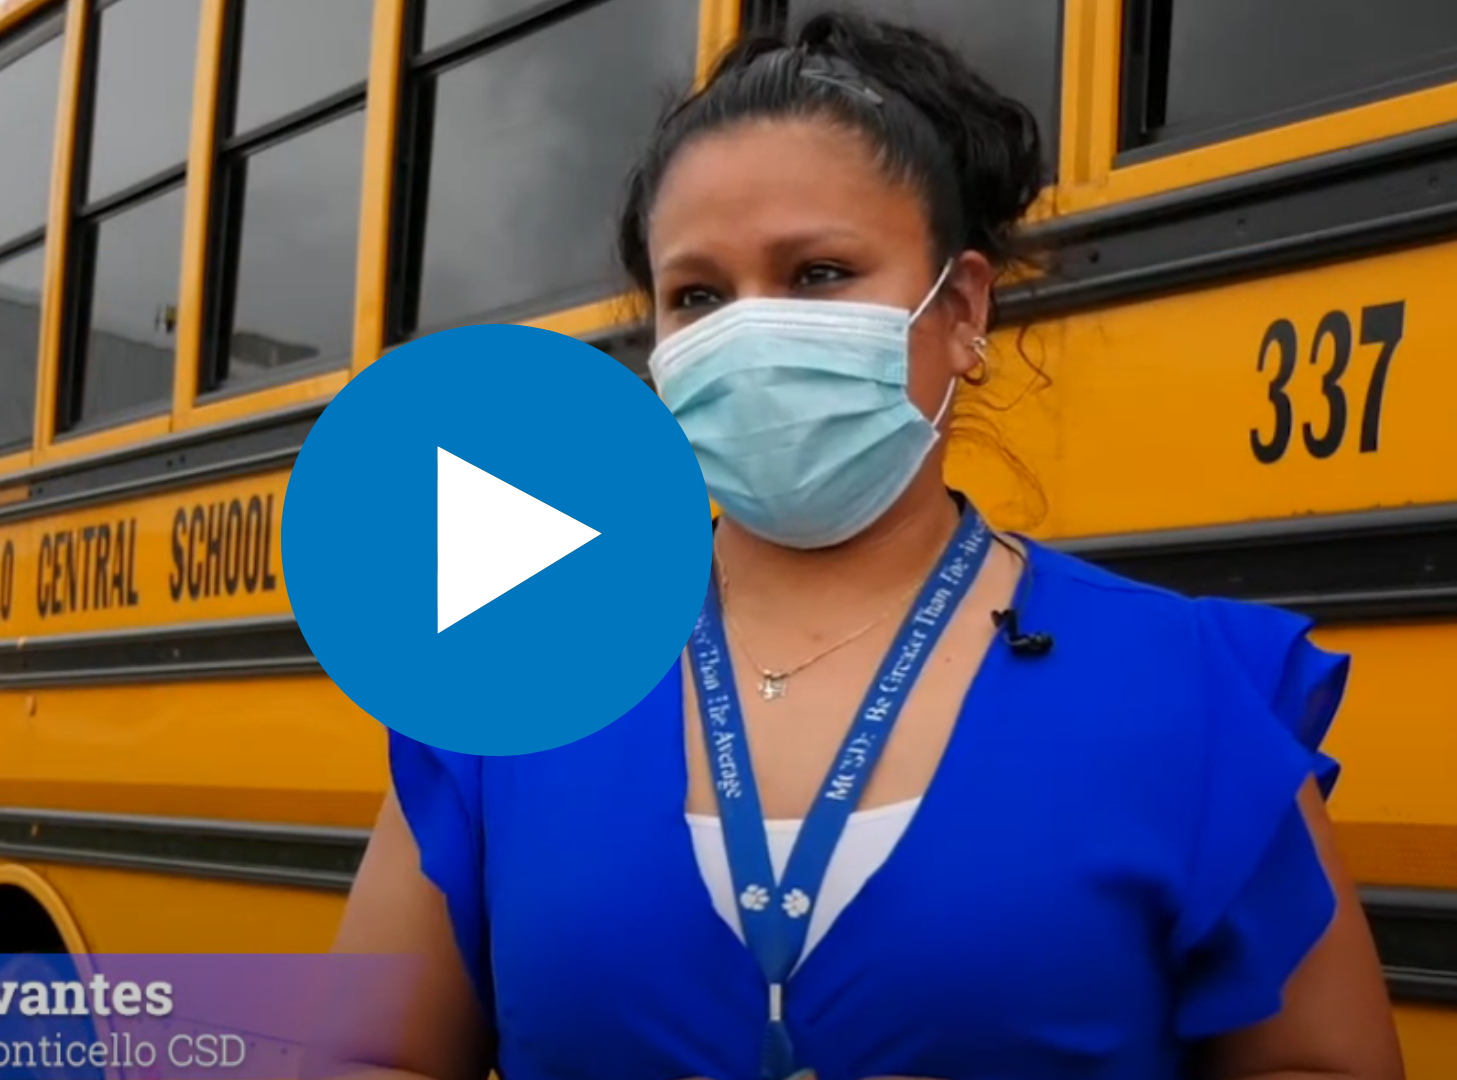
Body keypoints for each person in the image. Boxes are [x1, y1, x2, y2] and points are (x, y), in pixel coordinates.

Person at [319, 9, 1406, 1080]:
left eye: (820, 275)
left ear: (962, 307)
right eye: (696, 295)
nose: (750, 333)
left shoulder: (1190, 694)